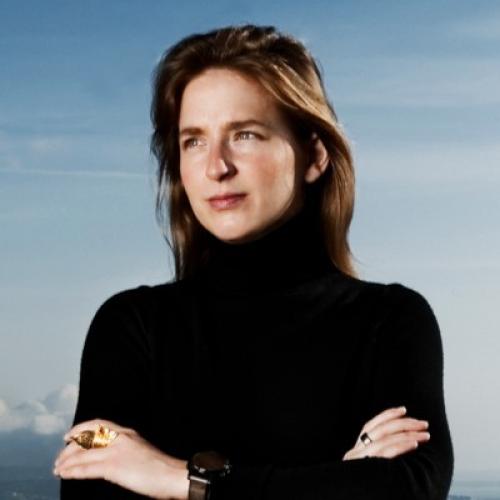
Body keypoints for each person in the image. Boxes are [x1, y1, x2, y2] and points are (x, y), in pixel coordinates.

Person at [54, 24, 454, 499]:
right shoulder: (129, 327)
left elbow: (408, 488)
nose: (216, 167)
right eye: (193, 141)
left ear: (314, 155)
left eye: (244, 134)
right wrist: (334, 480)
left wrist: (176, 478)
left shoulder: (391, 321)